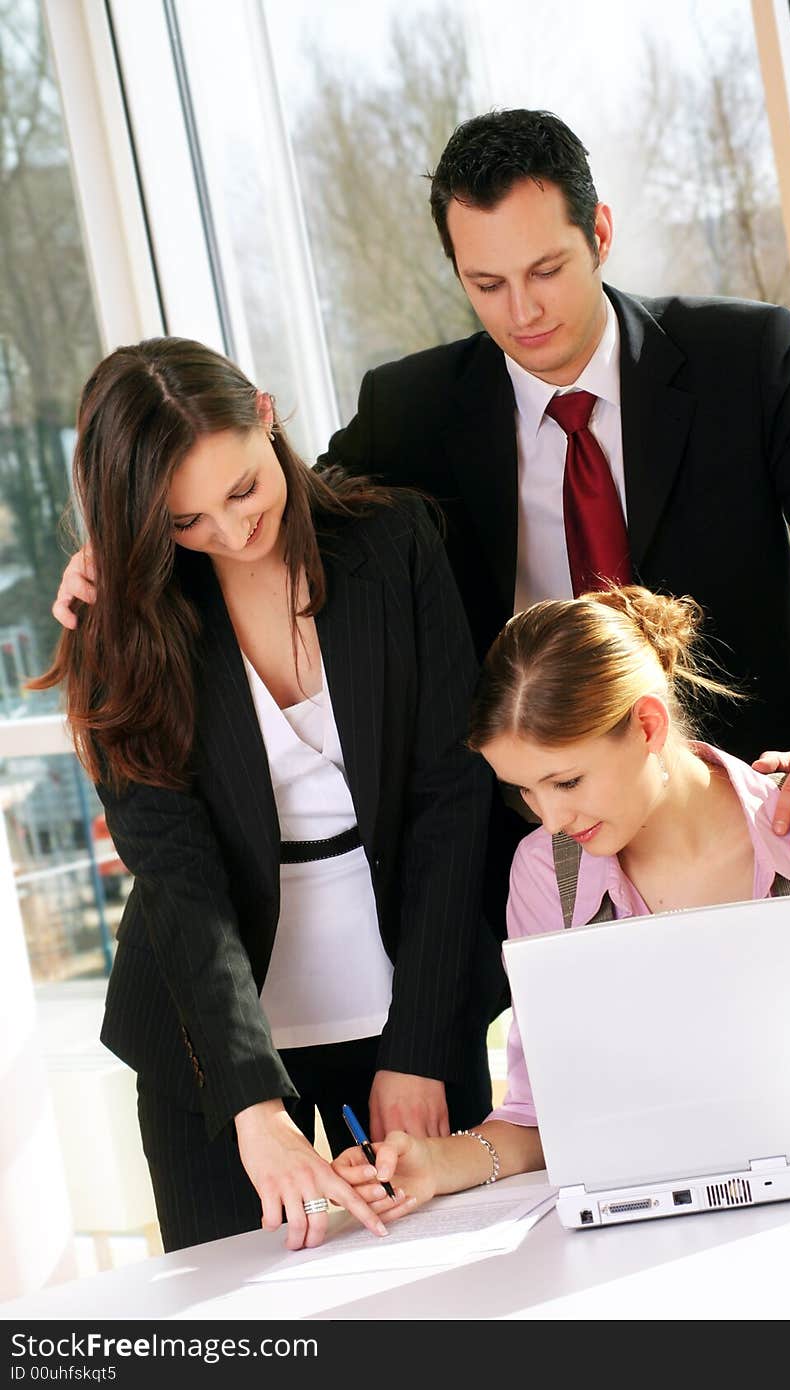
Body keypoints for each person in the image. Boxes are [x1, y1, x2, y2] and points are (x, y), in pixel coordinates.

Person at [52, 110, 790, 913]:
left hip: (769, 806)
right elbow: (280, 511)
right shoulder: (410, 411)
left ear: (599, 232)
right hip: (543, 846)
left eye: (546, 270)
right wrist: (118, 554)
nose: (522, 312)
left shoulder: (744, 359)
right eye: (486, 283)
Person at [32, 337, 498, 1253]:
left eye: (243, 489)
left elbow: (454, 799)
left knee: (457, 1287)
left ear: (266, 411)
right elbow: (177, 878)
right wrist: (250, 1100)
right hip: (212, 1035)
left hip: (406, 996)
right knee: (238, 1322)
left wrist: (421, 1041)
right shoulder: (119, 628)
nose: (234, 531)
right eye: (184, 523)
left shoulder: (395, 544)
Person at [332, 587, 790, 1215]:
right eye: (525, 792)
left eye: (567, 780)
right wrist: (430, 1163)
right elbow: (540, 1118)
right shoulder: (545, 872)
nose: (553, 816)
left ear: (648, 725)